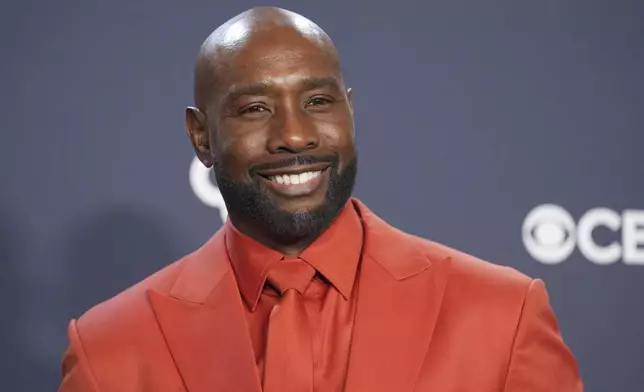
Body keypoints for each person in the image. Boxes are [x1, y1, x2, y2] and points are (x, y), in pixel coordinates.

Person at [58, 6, 583, 392]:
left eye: (317, 101)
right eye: (255, 108)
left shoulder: (502, 315)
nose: (294, 134)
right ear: (201, 138)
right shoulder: (110, 348)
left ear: (349, 112)